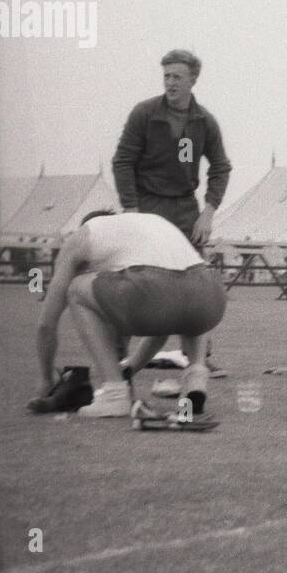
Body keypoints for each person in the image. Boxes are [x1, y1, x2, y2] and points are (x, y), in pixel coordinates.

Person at [30, 210, 226, 418]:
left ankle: (114, 394)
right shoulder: (149, 223)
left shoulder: (81, 237)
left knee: (77, 290)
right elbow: (161, 328)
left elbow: (46, 324)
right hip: (211, 294)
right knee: (186, 296)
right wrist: (129, 368)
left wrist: (46, 379)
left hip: (155, 290)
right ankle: (196, 376)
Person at [112, 49, 232, 370]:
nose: (170, 82)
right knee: (134, 277)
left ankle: (199, 359)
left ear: (194, 79)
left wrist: (207, 212)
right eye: (166, 76)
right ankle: (117, 357)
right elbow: (122, 160)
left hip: (185, 207)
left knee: (193, 283)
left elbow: (221, 167)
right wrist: (131, 209)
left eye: (177, 76)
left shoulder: (205, 122)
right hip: (147, 204)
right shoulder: (145, 114)